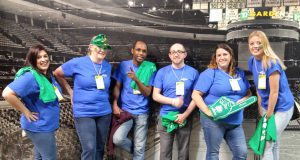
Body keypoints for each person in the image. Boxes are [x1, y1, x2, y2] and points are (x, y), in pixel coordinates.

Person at [54, 34, 112, 160]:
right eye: (99, 46)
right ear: (91, 47)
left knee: (100, 147)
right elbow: (57, 73)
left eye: (105, 47)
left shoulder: (107, 66)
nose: (103, 50)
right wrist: (70, 91)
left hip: (104, 112)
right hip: (84, 112)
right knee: (89, 148)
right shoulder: (77, 63)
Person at [2, 45, 62, 160]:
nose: (43, 59)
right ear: (32, 60)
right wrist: (26, 111)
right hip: (39, 127)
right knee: (50, 157)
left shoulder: (47, 74)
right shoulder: (30, 76)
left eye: (45, 56)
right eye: (39, 57)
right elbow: (7, 93)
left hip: (46, 125)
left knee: (39, 157)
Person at [192, 43, 251, 160]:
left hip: (235, 121)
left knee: (241, 153)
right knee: (213, 154)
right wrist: (207, 111)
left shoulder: (239, 73)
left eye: (225, 54)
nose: (222, 57)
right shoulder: (210, 73)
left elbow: (248, 93)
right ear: (215, 58)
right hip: (214, 121)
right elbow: (195, 94)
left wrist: (244, 99)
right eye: (219, 55)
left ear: (231, 56)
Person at [247, 30, 294, 160]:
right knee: (274, 142)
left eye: (258, 43)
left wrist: (268, 114)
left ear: (265, 45)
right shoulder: (252, 61)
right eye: (252, 43)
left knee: (266, 144)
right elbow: (258, 86)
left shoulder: (272, 63)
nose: (255, 46)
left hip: (282, 108)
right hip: (266, 106)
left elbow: (274, 92)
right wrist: (260, 106)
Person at [152, 43, 198, 160]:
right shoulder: (162, 72)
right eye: (173, 52)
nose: (176, 54)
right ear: (169, 55)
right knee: (165, 154)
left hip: (185, 117)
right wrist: (173, 101)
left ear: (185, 54)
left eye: (179, 51)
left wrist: (185, 114)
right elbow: (155, 96)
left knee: (183, 153)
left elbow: (197, 97)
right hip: (166, 117)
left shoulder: (193, 73)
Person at [112, 40, 156, 160]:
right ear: (132, 51)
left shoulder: (150, 67)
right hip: (126, 112)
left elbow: (147, 92)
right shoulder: (123, 65)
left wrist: (136, 79)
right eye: (138, 50)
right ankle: (138, 151)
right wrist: (115, 104)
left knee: (139, 147)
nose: (141, 53)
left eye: (144, 51)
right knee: (117, 139)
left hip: (142, 113)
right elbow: (117, 86)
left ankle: (138, 152)